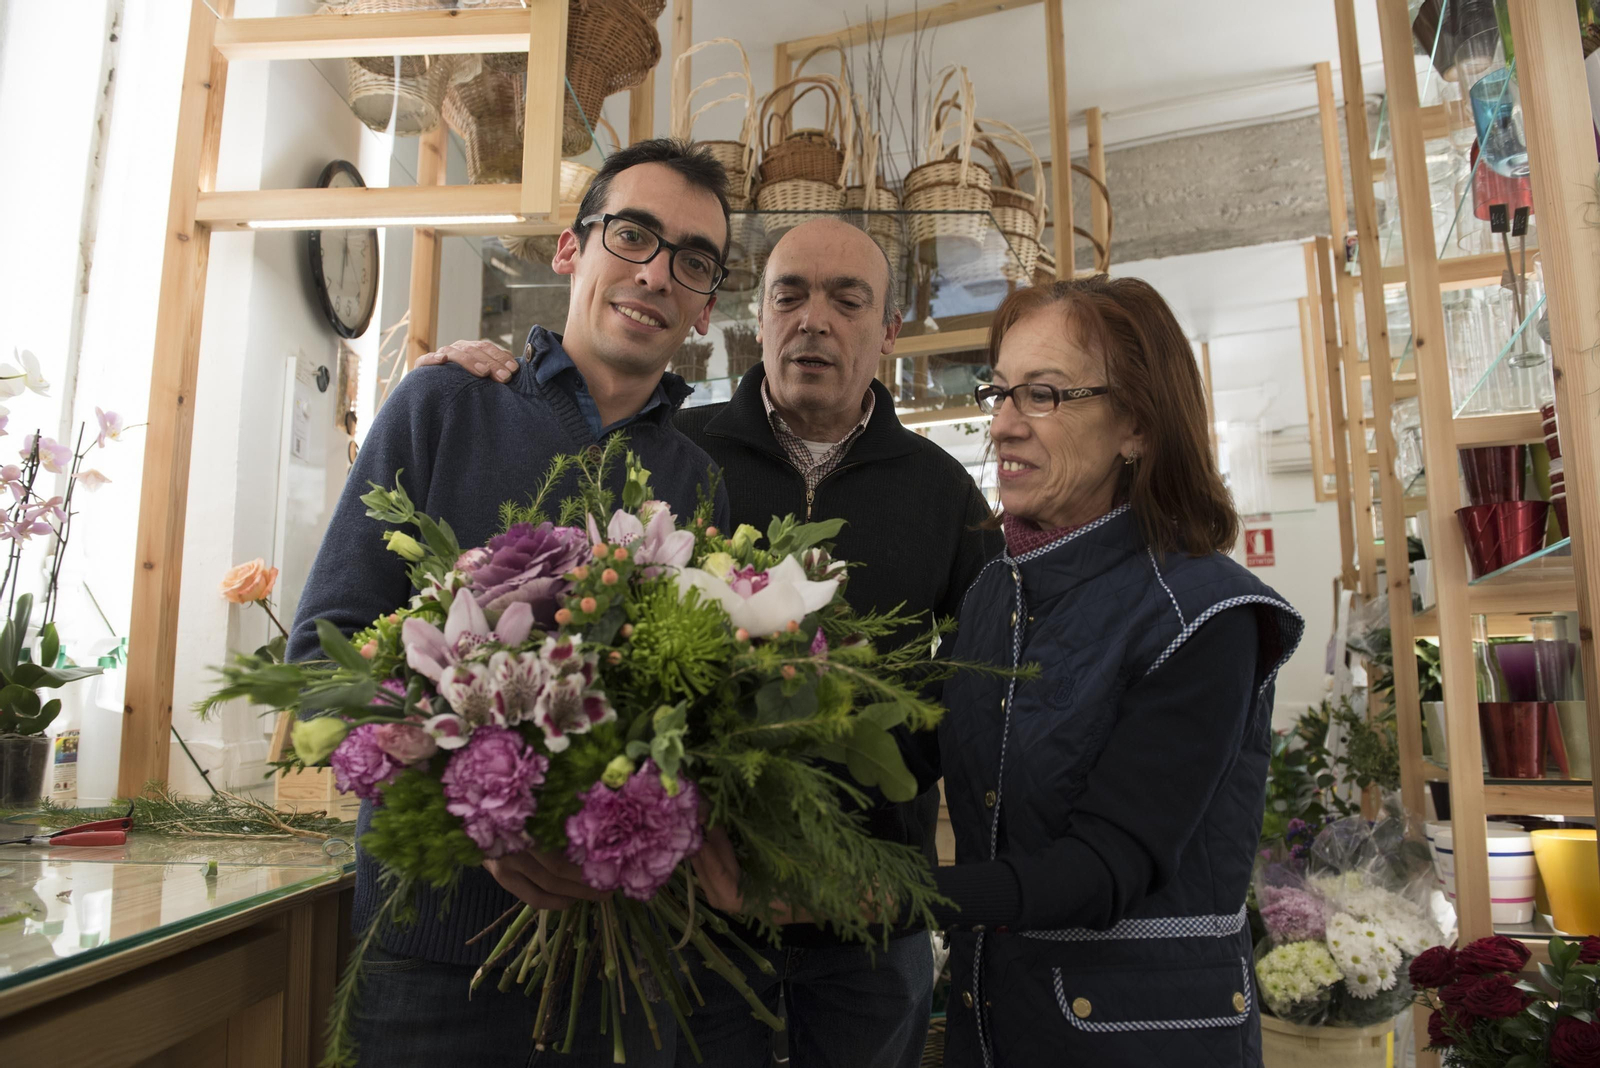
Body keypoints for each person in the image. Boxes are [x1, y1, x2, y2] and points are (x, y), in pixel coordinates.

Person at [425, 217, 1001, 1067]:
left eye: (848, 300)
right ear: (754, 318)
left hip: (868, 913)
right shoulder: (675, 455)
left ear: (887, 331)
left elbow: (973, 703)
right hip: (685, 913)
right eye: (789, 294)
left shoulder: (945, 492)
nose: (815, 319)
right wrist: (476, 379)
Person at [694, 275, 1305, 1067]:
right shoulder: (1000, 590)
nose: (1003, 425)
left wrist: (871, 897)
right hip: (1004, 1020)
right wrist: (722, 753)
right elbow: (919, 744)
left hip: (1142, 1037)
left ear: (1139, 426)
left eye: (1043, 395)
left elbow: (1104, 868)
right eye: (1001, 391)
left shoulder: (1207, 615)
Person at [287, 138, 735, 1067]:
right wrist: (474, 813)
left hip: (624, 969)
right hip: (431, 962)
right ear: (571, 250)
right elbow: (322, 654)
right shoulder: (444, 406)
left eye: (692, 260)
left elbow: (704, 718)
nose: (655, 273)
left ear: (705, 306)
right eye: (633, 234)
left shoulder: (698, 486)